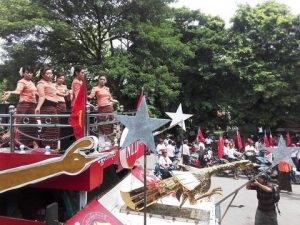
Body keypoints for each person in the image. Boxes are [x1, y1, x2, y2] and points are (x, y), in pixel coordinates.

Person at [2, 66, 39, 149]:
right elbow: (18, 91)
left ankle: (30, 144)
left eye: (31, 72)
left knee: (32, 126)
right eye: (27, 72)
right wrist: (11, 92)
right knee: (22, 125)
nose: (29, 74)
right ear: (23, 73)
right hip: (24, 106)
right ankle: (19, 144)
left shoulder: (31, 82)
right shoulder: (21, 82)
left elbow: (37, 93)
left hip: (32, 106)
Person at [35, 67, 59, 151]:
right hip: (46, 107)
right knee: (48, 128)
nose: (50, 75)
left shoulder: (51, 84)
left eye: (51, 73)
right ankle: (46, 147)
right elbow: (42, 96)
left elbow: (57, 93)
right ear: (42, 74)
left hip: (53, 108)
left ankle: (53, 147)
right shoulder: (40, 83)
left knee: (55, 128)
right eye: (47, 73)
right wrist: (38, 107)